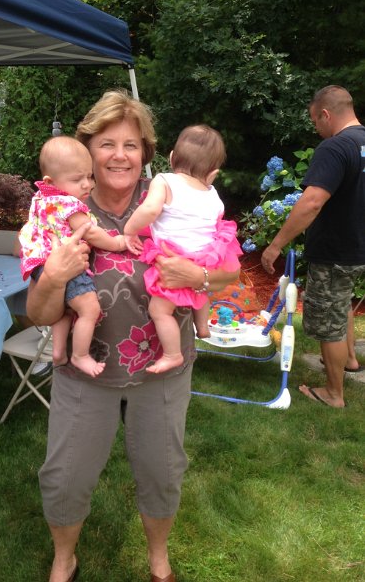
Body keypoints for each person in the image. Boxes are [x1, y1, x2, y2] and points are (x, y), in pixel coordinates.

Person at [26, 89, 238, 582]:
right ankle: (64, 558)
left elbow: (228, 271)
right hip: (86, 374)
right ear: (87, 151)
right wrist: (54, 277)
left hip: (161, 372)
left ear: (146, 151)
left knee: (162, 473)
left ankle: (158, 557)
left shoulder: (173, 193)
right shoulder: (60, 207)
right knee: (65, 476)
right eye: (106, 144)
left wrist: (199, 277)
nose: (120, 155)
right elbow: (38, 314)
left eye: (131, 144)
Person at [261, 85, 365, 408]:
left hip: (335, 251)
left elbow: (312, 202)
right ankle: (349, 360)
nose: (315, 128)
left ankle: (333, 393)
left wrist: (276, 245)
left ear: (326, 114)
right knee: (341, 303)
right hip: (358, 248)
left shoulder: (335, 147)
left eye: (315, 121)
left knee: (327, 322)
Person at [19, 135, 141, 377]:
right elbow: (91, 232)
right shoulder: (68, 204)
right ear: (51, 181)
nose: (87, 185)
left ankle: (58, 352)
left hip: (40, 261)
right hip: (64, 264)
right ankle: (80, 355)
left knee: (66, 310)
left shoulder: (42, 199)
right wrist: (117, 242)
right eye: (77, 179)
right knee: (89, 309)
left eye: (89, 176)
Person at [124, 124, 242, 373]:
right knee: (201, 286)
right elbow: (213, 223)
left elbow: (150, 209)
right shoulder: (213, 195)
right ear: (213, 174)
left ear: (171, 158)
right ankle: (203, 326)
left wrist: (130, 230)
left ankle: (172, 354)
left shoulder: (164, 181)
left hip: (173, 257)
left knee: (159, 310)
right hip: (205, 257)